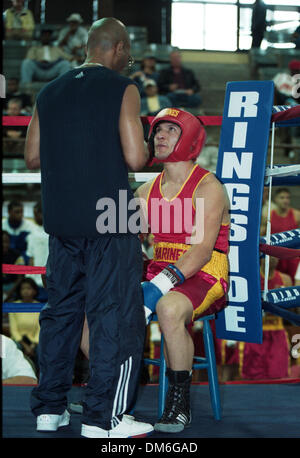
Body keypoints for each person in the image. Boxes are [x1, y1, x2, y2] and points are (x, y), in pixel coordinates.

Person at [24, 17, 153, 438]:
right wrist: (144, 141)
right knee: (113, 314)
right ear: (114, 48)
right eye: (127, 49)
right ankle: (104, 419)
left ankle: (49, 410)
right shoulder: (123, 87)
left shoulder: (49, 90)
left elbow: (32, 157)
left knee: (60, 313)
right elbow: (136, 159)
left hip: (62, 217)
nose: (129, 57)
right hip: (111, 214)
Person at [136, 108, 230, 433]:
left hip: (205, 270)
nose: (159, 136)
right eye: (157, 130)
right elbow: (125, 242)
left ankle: (179, 403)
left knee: (169, 306)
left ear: (189, 138)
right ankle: (114, 382)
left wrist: (157, 286)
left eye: (170, 131)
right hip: (159, 265)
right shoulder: (143, 191)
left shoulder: (209, 186)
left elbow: (202, 250)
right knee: (96, 299)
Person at [239, 256, 292, 380]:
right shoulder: (251, 277)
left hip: (277, 333)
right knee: (252, 377)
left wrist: (283, 300)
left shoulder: (285, 280)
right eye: (269, 255)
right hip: (255, 333)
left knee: (279, 376)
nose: (273, 259)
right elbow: (244, 304)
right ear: (261, 257)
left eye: (275, 256)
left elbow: (292, 310)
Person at [9, 278, 41, 372]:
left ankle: (40, 378)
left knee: (42, 348)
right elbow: (14, 330)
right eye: (23, 289)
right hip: (18, 340)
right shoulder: (14, 306)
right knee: (15, 347)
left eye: (29, 288)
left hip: (35, 341)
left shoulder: (39, 306)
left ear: (34, 291)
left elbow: (40, 329)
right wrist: (25, 345)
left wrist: (33, 345)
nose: (26, 291)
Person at [269, 188, 300, 283]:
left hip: (293, 256)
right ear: (275, 199)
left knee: (295, 283)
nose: (285, 200)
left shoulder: (296, 214)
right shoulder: (268, 215)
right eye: (282, 197)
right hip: (276, 256)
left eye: (287, 198)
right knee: (279, 282)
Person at [26, 201, 49, 302]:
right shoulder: (32, 232)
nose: (35, 217)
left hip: (50, 278)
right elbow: (31, 256)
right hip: (35, 280)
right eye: (34, 214)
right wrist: (29, 277)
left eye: (37, 214)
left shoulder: (54, 232)